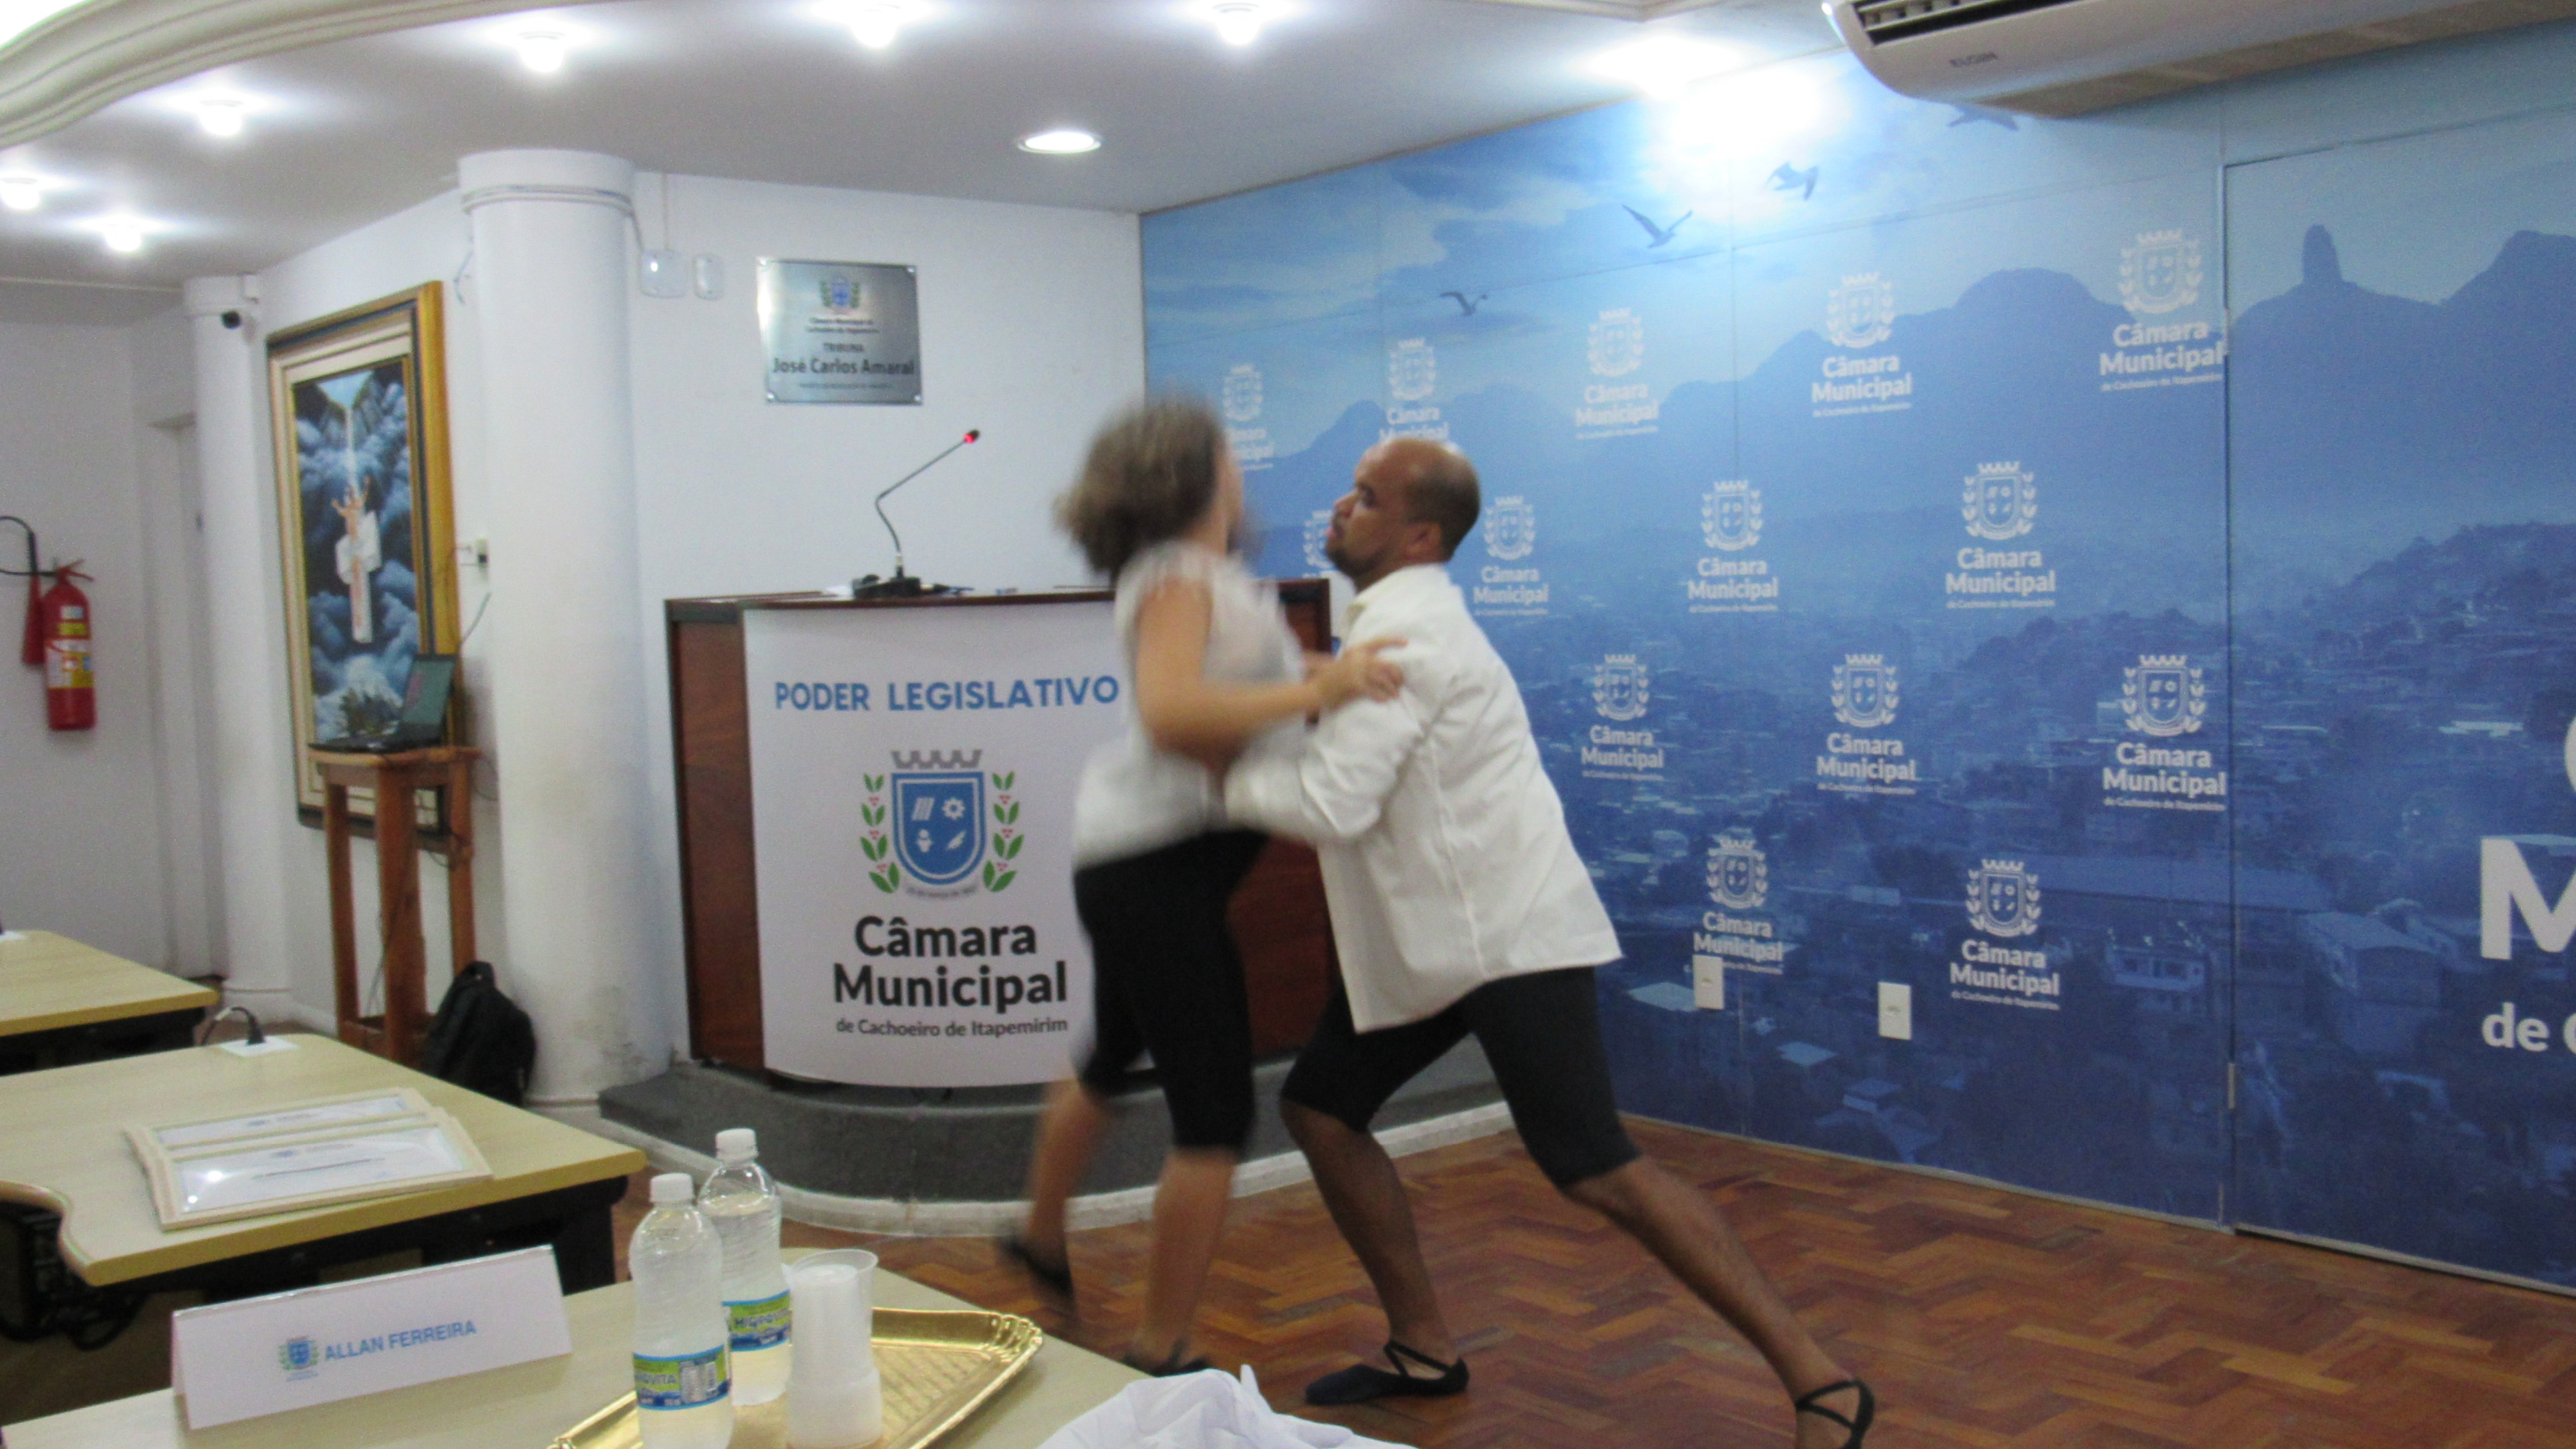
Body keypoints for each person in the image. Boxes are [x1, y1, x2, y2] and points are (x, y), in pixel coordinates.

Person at [1222, 438, 1875, 1449]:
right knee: (1322, 1108)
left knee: (1595, 1165)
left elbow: (1334, 802)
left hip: (1505, 937)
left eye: (1367, 497)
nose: (1342, 508)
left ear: (1421, 535)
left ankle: (1824, 1383)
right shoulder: (1394, 621)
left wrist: (1211, 770)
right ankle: (1424, 1348)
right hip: (1449, 937)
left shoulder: (1406, 635)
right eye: (1350, 491)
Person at [1010, 397, 1403, 1376]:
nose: (1241, 463)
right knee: (1215, 1113)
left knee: (1110, 1053)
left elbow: (1247, 683)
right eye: (1227, 451)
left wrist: (1324, 673)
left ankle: (1039, 1235)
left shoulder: (1205, 579)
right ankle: (1162, 1346)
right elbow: (1175, 711)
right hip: (1155, 867)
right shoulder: (1178, 577)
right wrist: (1317, 691)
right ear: (1191, 471)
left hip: (1146, 862)